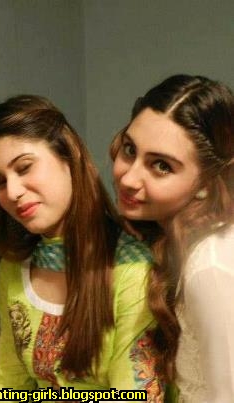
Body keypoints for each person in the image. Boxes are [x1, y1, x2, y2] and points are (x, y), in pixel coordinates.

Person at [0, 94, 165, 400]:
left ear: (69, 154)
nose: (12, 192)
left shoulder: (131, 267)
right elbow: (10, 384)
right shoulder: (13, 266)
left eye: (24, 168)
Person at [110, 74, 234, 402]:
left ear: (207, 183)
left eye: (161, 166)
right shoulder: (184, 245)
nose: (129, 178)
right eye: (129, 149)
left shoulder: (210, 265)